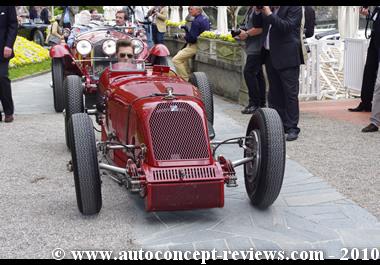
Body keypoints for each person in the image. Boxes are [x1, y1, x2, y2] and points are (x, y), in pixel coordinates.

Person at [261, 6, 303, 141]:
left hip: (287, 57)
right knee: (274, 92)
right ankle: (278, 126)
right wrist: (259, 11)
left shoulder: (294, 8)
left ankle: (292, 127)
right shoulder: (272, 9)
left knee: (290, 94)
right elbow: (262, 25)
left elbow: (287, 26)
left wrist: (269, 14)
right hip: (270, 55)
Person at [348, 6, 380, 112]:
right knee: (369, 69)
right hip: (375, 38)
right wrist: (369, 14)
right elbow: (375, 18)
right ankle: (366, 102)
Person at [236, 6, 266, 114]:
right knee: (258, 74)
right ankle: (260, 103)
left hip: (257, 47)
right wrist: (241, 32)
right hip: (252, 46)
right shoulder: (250, 9)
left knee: (249, 72)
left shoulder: (260, 9)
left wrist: (246, 33)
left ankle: (255, 103)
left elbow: (261, 28)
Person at [172, 6, 210, 81]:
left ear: (198, 10)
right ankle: (188, 75)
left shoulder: (196, 22)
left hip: (196, 46)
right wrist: (186, 30)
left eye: (191, 9)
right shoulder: (205, 18)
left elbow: (192, 39)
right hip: (202, 45)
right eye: (189, 9)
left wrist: (184, 37)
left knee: (175, 60)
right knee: (181, 55)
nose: (189, 11)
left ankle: (185, 79)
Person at [0, 6, 18, 123]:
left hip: (3, 49)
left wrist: (9, 45)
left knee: (2, 77)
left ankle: (8, 112)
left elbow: (13, 25)